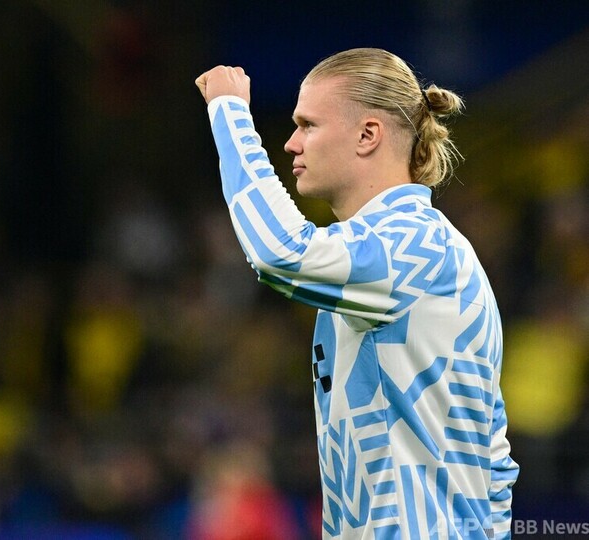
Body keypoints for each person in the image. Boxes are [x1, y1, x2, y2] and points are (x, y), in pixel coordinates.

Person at [195, 48, 519, 539]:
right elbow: (495, 459)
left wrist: (230, 114)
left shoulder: (415, 244)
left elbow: (281, 251)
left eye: (307, 125)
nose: (291, 144)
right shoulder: (389, 258)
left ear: (368, 135)